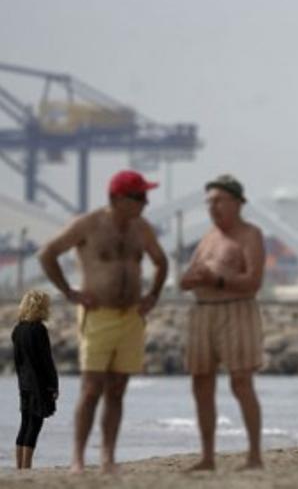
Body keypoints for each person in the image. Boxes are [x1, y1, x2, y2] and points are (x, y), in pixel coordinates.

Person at [38, 170, 167, 474]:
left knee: (118, 388)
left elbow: (162, 262)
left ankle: (108, 456)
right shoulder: (90, 224)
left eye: (145, 196)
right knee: (91, 387)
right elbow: (47, 254)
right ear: (117, 198)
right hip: (99, 315)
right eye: (138, 197)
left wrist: (153, 296)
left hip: (132, 316)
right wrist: (69, 292)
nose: (145, 203)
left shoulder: (142, 227)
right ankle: (78, 458)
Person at [180, 174, 266, 471]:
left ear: (237, 203)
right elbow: (185, 277)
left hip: (236, 311)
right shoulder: (208, 237)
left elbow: (253, 281)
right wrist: (191, 279)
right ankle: (207, 456)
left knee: (241, 381)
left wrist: (216, 279)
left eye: (218, 201)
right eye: (209, 202)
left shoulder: (250, 235)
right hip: (202, 312)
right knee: (200, 382)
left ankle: (254, 455)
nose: (212, 207)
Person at [12, 290, 59, 470]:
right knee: (35, 424)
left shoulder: (18, 329)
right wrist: (53, 386)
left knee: (24, 424)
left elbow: (18, 361)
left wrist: (22, 380)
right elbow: (46, 361)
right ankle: (27, 467)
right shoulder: (39, 329)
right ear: (41, 307)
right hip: (39, 384)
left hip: (24, 383)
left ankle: (19, 468)